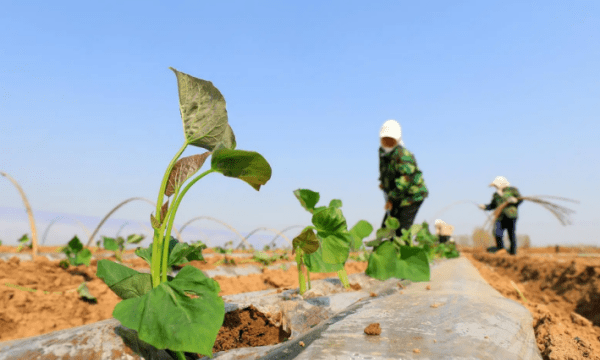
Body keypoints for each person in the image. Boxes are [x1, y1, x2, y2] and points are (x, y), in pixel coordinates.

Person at [378, 119, 429, 239]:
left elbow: (406, 179)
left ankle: (402, 255)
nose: (388, 142)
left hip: (412, 195)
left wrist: (391, 198)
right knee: (387, 227)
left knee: (401, 230)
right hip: (398, 195)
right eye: (385, 139)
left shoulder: (402, 154)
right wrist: (383, 183)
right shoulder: (383, 153)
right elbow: (386, 171)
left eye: (391, 140)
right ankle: (386, 254)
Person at [478, 176, 523, 255]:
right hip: (500, 216)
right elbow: (492, 205)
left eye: (496, 185)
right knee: (496, 232)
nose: (495, 187)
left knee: (511, 234)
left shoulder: (512, 190)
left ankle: (513, 252)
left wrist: (515, 200)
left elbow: (520, 199)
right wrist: (484, 207)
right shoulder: (496, 195)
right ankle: (501, 248)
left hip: (511, 215)